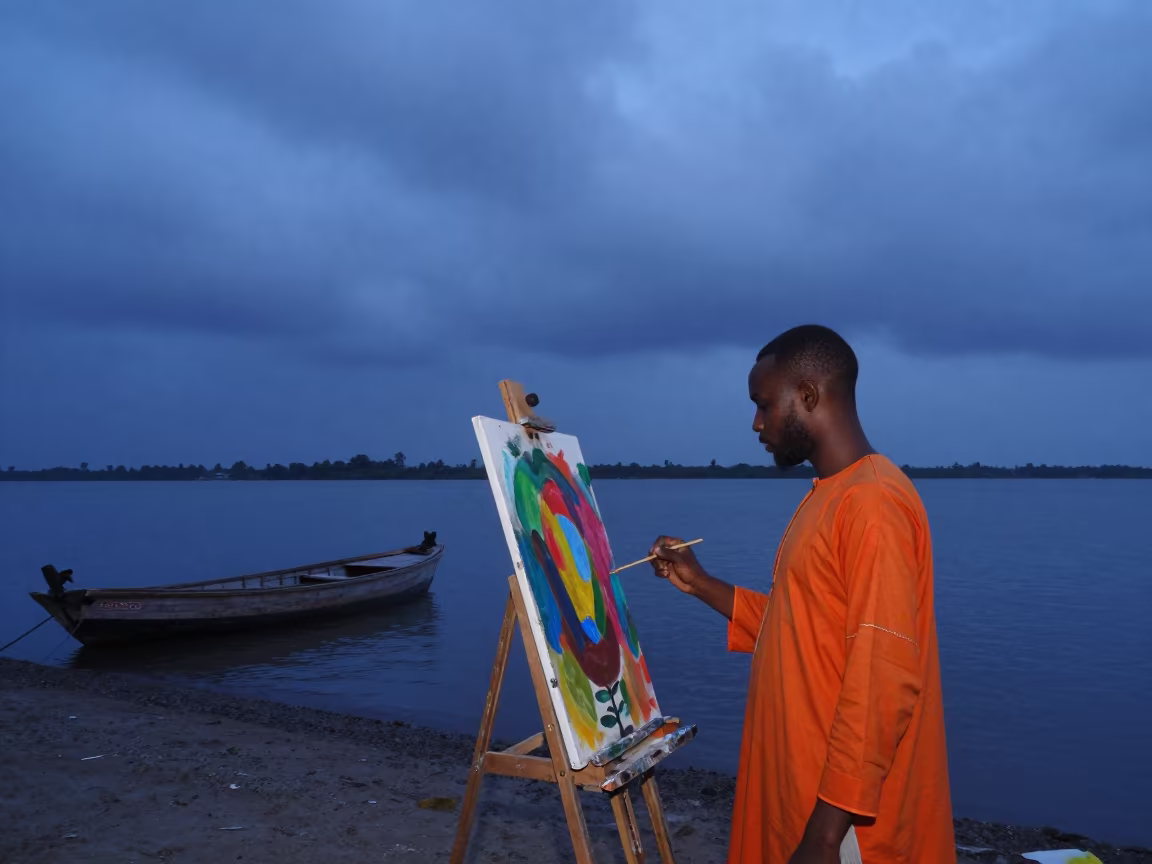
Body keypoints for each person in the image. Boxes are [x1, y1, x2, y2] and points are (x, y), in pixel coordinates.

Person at [649, 324, 955, 864]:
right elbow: (801, 626)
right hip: (799, 787)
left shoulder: (873, 505)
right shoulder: (832, 496)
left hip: (842, 818)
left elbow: (882, 674)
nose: (757, 423)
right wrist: (698, 583)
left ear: (808, 396)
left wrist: (825, 834)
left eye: (764, 405)